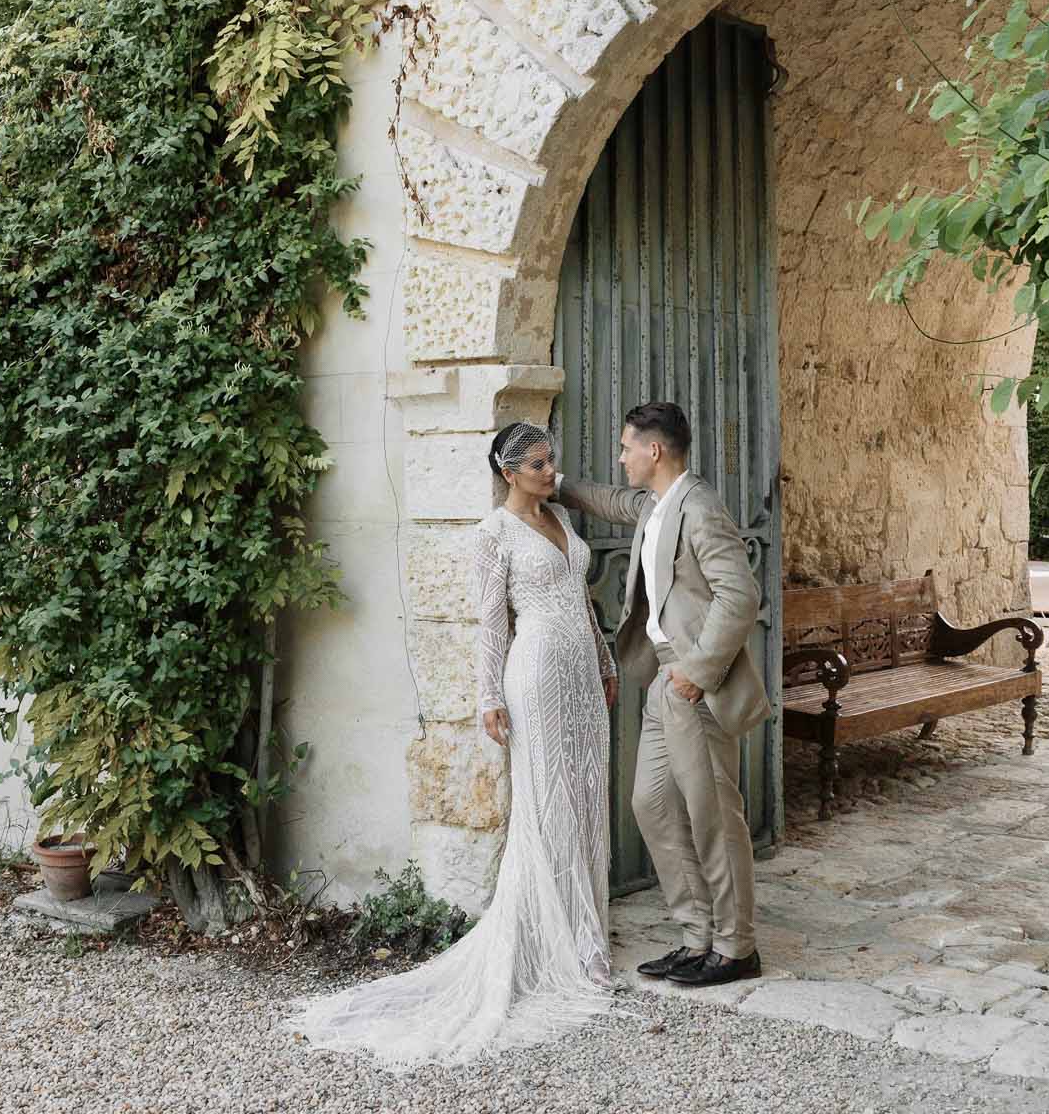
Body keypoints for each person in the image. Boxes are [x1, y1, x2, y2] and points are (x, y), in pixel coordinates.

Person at [283, 420, 618, 1069]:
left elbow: (580, 601)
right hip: (540, 672)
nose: (553, 475)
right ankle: (552, 941)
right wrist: (487, 697)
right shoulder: (493, 535)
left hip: (581, 672)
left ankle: (586, 928)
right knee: (547, 802)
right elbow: (491, 624)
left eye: (552, 461)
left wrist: (605, 663)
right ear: (508, 473)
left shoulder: (560, 521)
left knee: (586, 795)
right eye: (540, 466)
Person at [556, 400, 768, 988]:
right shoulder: (656, 502)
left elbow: (740, 596)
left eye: (626, 447)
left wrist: (697, 672)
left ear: (654, 451)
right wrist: (557, 485)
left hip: (693, 684)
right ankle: (696, 935)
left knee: (714, 816)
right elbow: (612, 501)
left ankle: (735, 946)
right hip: (662, 680)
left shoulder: (699, 509)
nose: (621, 456)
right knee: (649, 803)